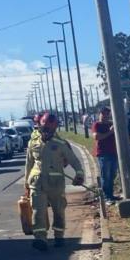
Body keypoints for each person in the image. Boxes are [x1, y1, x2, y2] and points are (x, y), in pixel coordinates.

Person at [25, 112, 84, 251]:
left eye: (49, 128)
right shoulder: (33, 142)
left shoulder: (61, 144)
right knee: (37, 211)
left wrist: (79, 174)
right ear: (40, 125)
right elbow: (28, 163)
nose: (46, 130)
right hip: (37, 183)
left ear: (55, 128)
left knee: (59, 211)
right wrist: (26, 184)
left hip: (55, 184)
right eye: (44, 127)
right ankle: (40, 238)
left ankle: (59, 236)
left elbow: (74, 160)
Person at [92, 107, 118, 203]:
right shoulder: (97, 125)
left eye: (107, 114)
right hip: (103, 154)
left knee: (112, 175)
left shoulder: (112, 124)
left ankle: (110, 195)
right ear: (99, 114)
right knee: (105, 176)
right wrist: (110, 132)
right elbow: (97, 137)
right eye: (103, 114)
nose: (105, 116)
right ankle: (105, 197)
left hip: (113, 153)